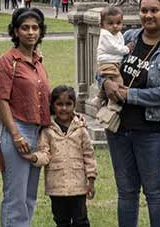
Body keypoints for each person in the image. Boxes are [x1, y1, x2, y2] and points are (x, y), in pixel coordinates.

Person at [100, 0, 160, 227]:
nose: (148, 15)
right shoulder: (126, 37)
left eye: (154, 10)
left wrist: (131, 94)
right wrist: (105, 83)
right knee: (126, 192)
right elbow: (104, 66)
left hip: (153, 130)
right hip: (119, 128)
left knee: (155, 192)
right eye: (144, 10)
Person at [0, 7, 51, 227]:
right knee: (16, 198)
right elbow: (0, 99)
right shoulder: (6, 62)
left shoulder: (38, 61)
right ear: (15, 32)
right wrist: (15, 135)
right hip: (15, 132)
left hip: (35, 132)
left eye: (35, 28)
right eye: (25, 28)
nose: (31, 32)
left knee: (30, 196)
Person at [31, 85, 97, 227]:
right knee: (61, 221)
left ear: (74, 105)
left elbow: (89, 156)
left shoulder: (80, 129)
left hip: (78, 187)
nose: (64, 108)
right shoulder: (48, 131)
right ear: (53, 105)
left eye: (68, 104)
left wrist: (91, 181)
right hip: (57, 187)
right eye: (59, 104)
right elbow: (45, 153)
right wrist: (35, 158)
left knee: (81, 220)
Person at [92, 5, 128, 115]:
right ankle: (113, 103)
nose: (115, 26)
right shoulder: (105, 34)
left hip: (113, 62)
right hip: (107, 62)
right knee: (118, 81)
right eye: (110, 23)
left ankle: (98, 99)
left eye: (118, 23)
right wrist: (127, 49)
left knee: (110, 81)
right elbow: (114, 48)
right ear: (102, 25)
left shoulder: (117, 34)